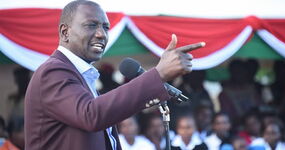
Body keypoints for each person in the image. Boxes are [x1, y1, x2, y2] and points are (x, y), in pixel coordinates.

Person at [24, 0, 205, 150]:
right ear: (65, 32)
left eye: (106, 27)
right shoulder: (53, 71)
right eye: (91, 25)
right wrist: (158, 75)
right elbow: (91, 115)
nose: (101, 34)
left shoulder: (81, 75)